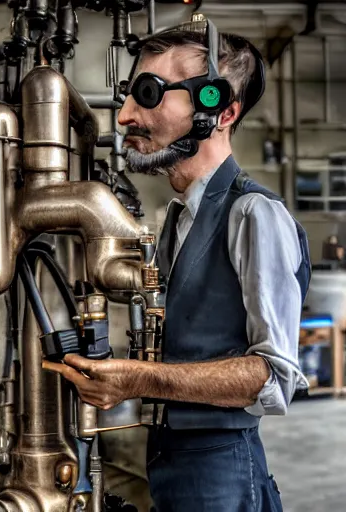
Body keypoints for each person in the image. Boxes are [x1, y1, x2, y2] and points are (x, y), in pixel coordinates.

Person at [43, 17, 311, 512]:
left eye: (148, 93)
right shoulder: (177, 217)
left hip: (222, 470)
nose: (123, 116)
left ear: (220, 112)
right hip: (169, 460)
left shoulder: (254, 214)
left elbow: (272, 376)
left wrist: (138, 379)